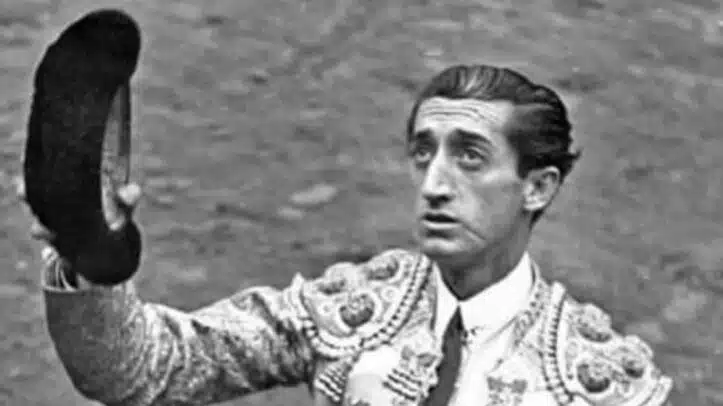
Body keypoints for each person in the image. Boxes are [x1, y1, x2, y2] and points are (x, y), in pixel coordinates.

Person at [27, 64, 673, 406]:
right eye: (424, 153)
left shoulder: (603, 386)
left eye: (470, 157)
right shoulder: (357, 307)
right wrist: (90, 255)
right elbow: (143, 371)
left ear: (538, 187)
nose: (434, 184)